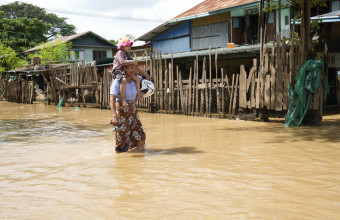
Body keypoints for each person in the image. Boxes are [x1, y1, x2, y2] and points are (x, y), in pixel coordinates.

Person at [110, 61, 150, 153]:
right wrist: (114, 116)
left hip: (133, 112)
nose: (133, 70)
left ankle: (138, 156)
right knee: (122, 139)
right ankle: (121, 158)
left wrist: (137, 67)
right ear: (125, 69)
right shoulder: (117, 82)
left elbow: (147, 77)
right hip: (122, 112)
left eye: (134, 68)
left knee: (141, 136)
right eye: (131, 68)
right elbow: (112, 100)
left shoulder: (136, 80)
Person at [112, 36, 143, 106]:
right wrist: (132, 61)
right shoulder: (120, 53)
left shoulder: (127, 54)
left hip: (124, 71)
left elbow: (130, 62)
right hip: (118, 71)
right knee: (124, 80)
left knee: (137, 79)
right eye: (127, 46)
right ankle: (123, 98)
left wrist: (135, 64)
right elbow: (122, 62)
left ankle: (138, 95)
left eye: (129, 46)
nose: (129, 48)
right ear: (121, 47)